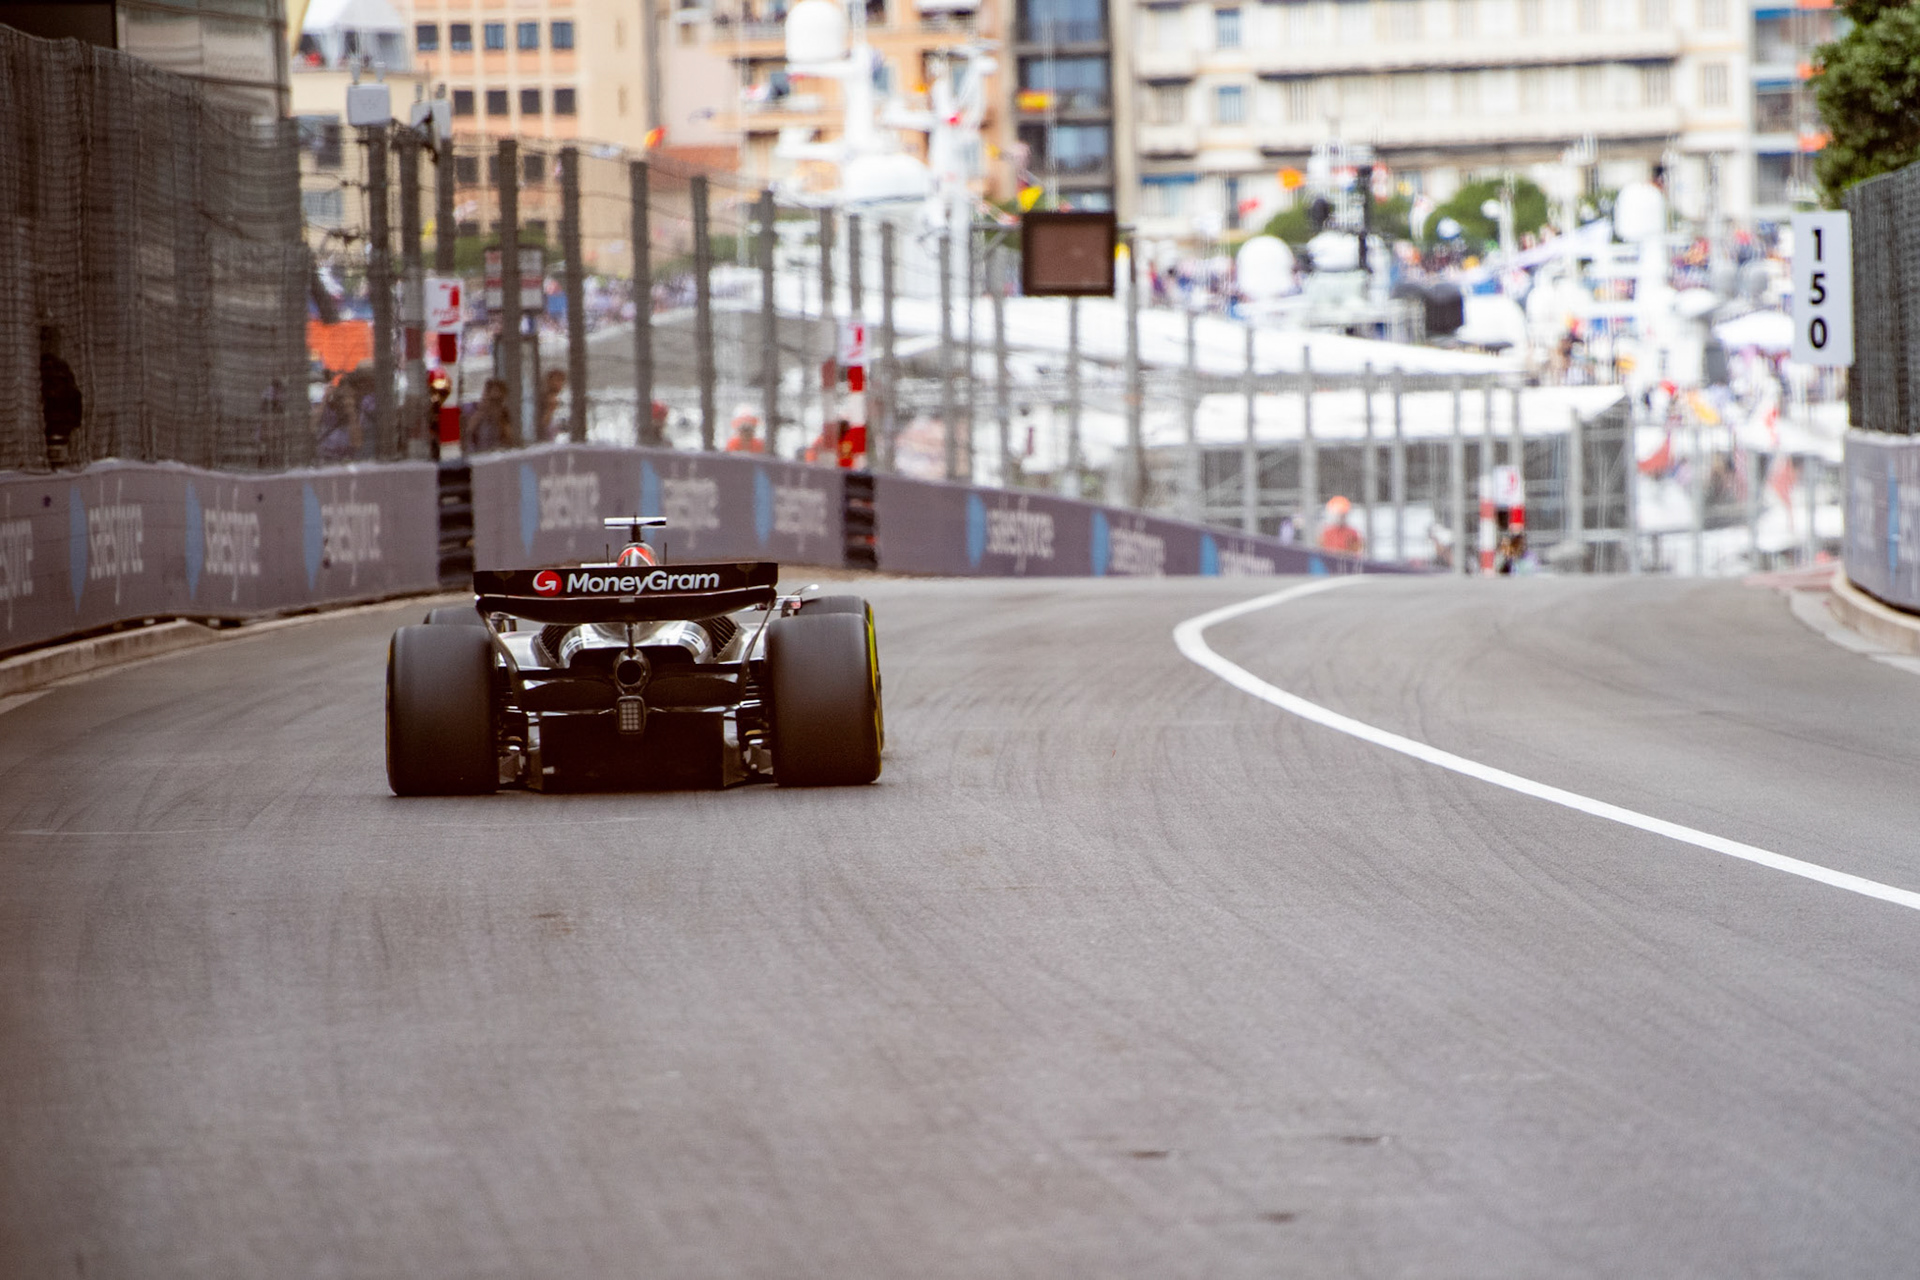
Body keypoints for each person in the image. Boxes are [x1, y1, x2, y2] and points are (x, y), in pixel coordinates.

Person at [39, 325, 81, 470]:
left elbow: (75, 395)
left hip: (56, 424)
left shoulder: (56, 368)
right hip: (54, 424)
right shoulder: (57, 367)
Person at [465, 378, 518, 453]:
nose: (493, 403)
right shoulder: (473, 409)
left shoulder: (503, 413)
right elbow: (468, 431)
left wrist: (499, 417)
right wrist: (482, 411)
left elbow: (509, 437)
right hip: (477, 452)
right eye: (492, 399)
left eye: (498, 400)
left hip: (498, 451)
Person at [537, 368, 567, 441]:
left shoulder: (560, 399)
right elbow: (543, 424)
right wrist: (550, 410)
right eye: (556, 380)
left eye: (561, 380)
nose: (558, 384)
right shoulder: (547, 400)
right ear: (548, 382)